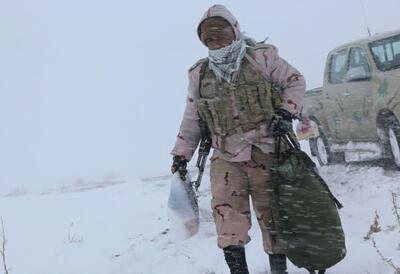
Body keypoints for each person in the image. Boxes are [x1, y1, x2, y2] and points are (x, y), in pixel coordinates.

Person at [170, 4, 305, 274]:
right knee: (227, 218)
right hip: (226, 157)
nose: (215, 42)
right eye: (209, 39)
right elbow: (192, 118)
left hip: (267, 149)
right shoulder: (200, 75)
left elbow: (295, 81)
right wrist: (180, 155)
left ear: (234, 31)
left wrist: (285, 111)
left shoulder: (262, 59)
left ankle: (279, 270)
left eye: (220, 35)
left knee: (274, 216)